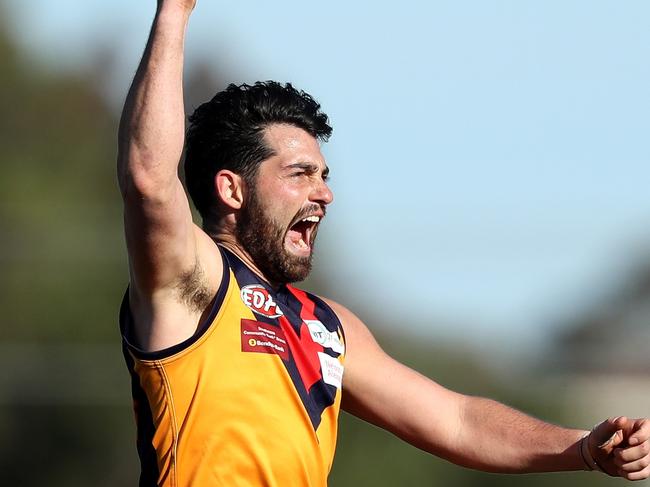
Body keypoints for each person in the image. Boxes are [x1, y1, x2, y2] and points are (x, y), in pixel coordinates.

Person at [117, 1, 650, 485]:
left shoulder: (327, 325)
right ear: (232, 189)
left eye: (323, 175)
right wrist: (174, 14)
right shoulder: (192, 279)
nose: (324, 193)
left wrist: (580, 447)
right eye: (299, 173)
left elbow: (457, 422)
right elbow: (148, 177)